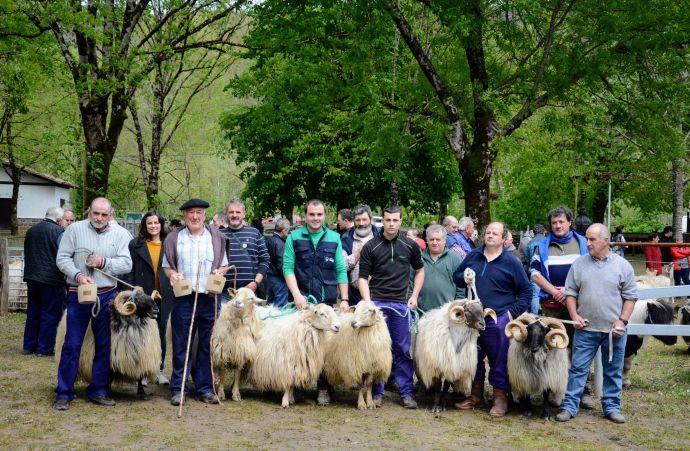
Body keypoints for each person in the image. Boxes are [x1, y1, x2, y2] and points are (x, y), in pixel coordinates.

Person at [53, 197, 133, 410]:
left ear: (110, 214)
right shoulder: (74, 230)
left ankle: (99, 390)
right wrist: (78, 275)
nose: (99, 218)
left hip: (107, 295)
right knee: (72, 343)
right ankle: (64, 391)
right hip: (79, 292)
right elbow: (62, 258)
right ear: (89, 212)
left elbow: (126, 262)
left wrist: (103, 263)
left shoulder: (121, 234)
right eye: (95, 213)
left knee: (104, 344)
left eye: (104, 214)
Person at [556, 223, 637, 424]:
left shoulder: (622, 266)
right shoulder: (579, 264)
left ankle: (611, 407)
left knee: (613, 371)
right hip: (585, 329)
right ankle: (569, 406)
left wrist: (622, 321)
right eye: (586, 238)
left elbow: (630, 297)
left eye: (592, 239)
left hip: (613, 331)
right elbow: (571, 293)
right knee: (578, 369)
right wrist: (574, 315)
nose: (587, 243)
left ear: (606, 241)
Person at [453, 222, 532, 417]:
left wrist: (511, 314)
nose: (490, 235)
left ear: (504, 239)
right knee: (473, 358)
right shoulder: (473, 255)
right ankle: (476, 395)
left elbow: (526, 292)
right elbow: (456, 276)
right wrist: (465, 276)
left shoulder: (511, 262)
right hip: (472, 318)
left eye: (495, 233)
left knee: (499, 360)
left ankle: (500, 397)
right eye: (488, 232)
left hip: (498, 319)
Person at [163, 198, 229, 406]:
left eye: (199, 212)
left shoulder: (215, 237)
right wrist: (172, 274)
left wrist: (220, 271)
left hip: (209, 298)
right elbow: (167, 266)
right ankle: (178, 388)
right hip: (184, 298)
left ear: (204, 215)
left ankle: (204, 388)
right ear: (184, 215)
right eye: (190, 212)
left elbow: (225, 265)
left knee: (207, 345)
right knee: (182, 343)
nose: (195, 216)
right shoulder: (175, 238)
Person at [283, 199, 349, 406]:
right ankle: (297, 385)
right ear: (305, 216)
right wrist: (296, 295)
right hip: (301, 301)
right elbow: (288, 268)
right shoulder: (294, 237)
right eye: (312, 214)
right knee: (298, 346)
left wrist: (344, 299)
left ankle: (323, 388)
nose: (315, 218)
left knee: (324, 349)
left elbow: (341, 270)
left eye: (319, 215)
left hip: (326, 301)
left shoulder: (335, 238)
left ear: (324, 215)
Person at [359, 205, 424, 409]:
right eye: (388, 220)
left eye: (395, 220)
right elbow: (362, 278)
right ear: (382, 221)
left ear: (400, 221)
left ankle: (406, 392)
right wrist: (368, 302)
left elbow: (420, 271)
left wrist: (414, 296)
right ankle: (376, 392)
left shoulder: (410, 245)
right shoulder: (371, 246)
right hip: (377, 304)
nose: (391, 224)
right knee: (378, 349)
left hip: (400, 305)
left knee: (402, 349)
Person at [530, 205, 594, 408]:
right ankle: (556, 390)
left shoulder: (584, 243)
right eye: (554, 222)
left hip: (580, 304)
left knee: (580, 348)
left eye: (561, 222)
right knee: (556, 347)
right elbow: (534, 273)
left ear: (569, 222)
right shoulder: (540, 246)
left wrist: (569, 292)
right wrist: (554, 291)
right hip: (552, 304)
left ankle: (581, 392)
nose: (557, 226)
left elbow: (592, 270)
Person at [126, 211, 173, 385]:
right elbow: (129, 270)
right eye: (149, 223)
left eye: (156, 223)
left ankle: (158, 370)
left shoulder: (169, 243)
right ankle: (143, 372)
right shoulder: (135, 244)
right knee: (142, 331)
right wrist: (131, 291)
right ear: (145, 226)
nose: (153, 226)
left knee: (161, 331)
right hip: (142, 294)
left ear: (161, 224)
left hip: (165, 294)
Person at [22, 207, 66, 357]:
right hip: (51, 279)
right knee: (50, 313)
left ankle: (29, 346)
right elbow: (63, 254)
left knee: (33, 312)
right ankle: (45, 348)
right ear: (59, 220)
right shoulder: (59, 232)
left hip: (32, 277)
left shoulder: (31, 230)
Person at [221, 199, 270, 295]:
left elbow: (265, 260)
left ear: (244, 214)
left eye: (238, 212)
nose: (234, 215)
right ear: (226, 214)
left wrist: (256, 282)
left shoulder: (254, 233)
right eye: (231, 212)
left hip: (250, 291)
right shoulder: (220, 235)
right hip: (225, 293)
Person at [415, 224, 463, 312]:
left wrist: (457, 306)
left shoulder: (455, 258)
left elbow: (461, 288)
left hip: (446, 312)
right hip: (421, 312)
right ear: (427, 240)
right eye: (431, 239)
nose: (434, 242)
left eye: (438, 239)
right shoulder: (418, 259)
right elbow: (410, 283)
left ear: (444, 240)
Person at [341, 204, 380, 305]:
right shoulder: (346, 239)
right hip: (354, 295)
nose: (361, 223)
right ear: (354, 221)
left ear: (370, 219)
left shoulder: (380, 237)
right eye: (358, 220)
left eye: (364, 219)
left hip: (378, 293)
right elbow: (342, 266)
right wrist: (357, 254)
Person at [265, 218, 291, 307]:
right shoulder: (280, 243)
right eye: (288, 230)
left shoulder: (269, 240)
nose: (288, 233)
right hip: (279, 278)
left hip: (269, 277)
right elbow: (281, 263)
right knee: (279, 307)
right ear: (284, 230)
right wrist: (288, 277)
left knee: (270, 304)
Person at [524, 224, 547, 314]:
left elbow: (527, 258)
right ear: (543, 232)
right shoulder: (547, 241)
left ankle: (534, 316)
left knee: (535, 295)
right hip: (546, 271)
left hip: (534, 271)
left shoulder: (530, 243)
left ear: (534, 232)